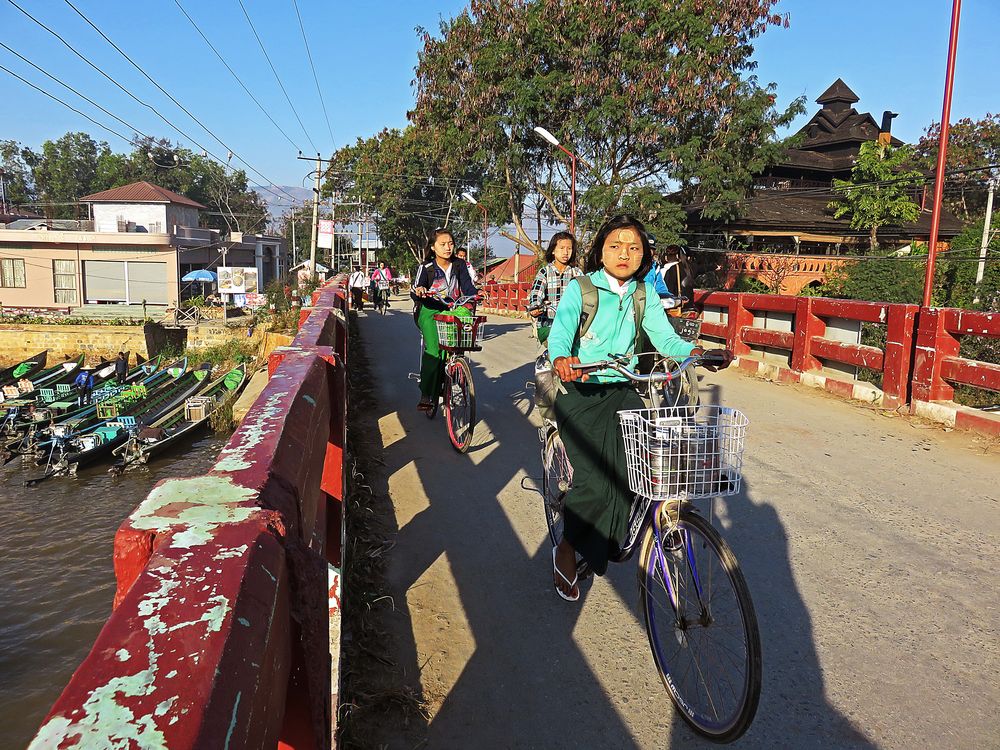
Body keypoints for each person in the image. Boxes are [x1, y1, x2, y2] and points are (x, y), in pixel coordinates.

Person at [547, 215, 731, 601]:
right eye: (615, 245)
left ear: (645, 254)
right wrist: (563, 356)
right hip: (581, 390)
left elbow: (666, 338)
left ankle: (613, 539)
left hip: (625, 390)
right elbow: (561, 330)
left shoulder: (643, 294)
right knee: (596, 480)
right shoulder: (581, 289)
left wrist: (694, 352)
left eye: (634, 247)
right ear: (600, 250)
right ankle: (566, 546)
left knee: (642, 469)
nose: (624, 253)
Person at [411, 228, 478, 411]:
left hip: (453, 310)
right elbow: (415, 288)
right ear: (433, 247)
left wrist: (476, 295)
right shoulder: (426, 268)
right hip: (429, 311)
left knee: (458, 343)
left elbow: (468, 287)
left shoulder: (459, 265)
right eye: (442, 244)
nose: (448, 248)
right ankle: (426, 393)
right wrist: (419, 291)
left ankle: (453, 373)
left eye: (450, 243)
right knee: (434, 349)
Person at [526, 231, 582, 345]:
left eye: (569, 249)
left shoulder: (577, 273)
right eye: (561, 248)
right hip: (549, 325)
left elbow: (585, 294)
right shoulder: (545, 272)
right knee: (554, 354)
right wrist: (535, 307)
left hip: (572, 324)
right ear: (553, 250)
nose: (566, 252)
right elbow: (536, 292)